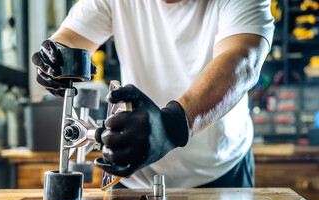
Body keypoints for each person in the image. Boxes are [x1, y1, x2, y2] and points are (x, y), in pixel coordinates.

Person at [32, 0, 274, 189]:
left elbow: (242, 61)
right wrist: (55, 61)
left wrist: (173, 124)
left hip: (220, 170)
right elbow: (71, 39)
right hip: (132, 173)